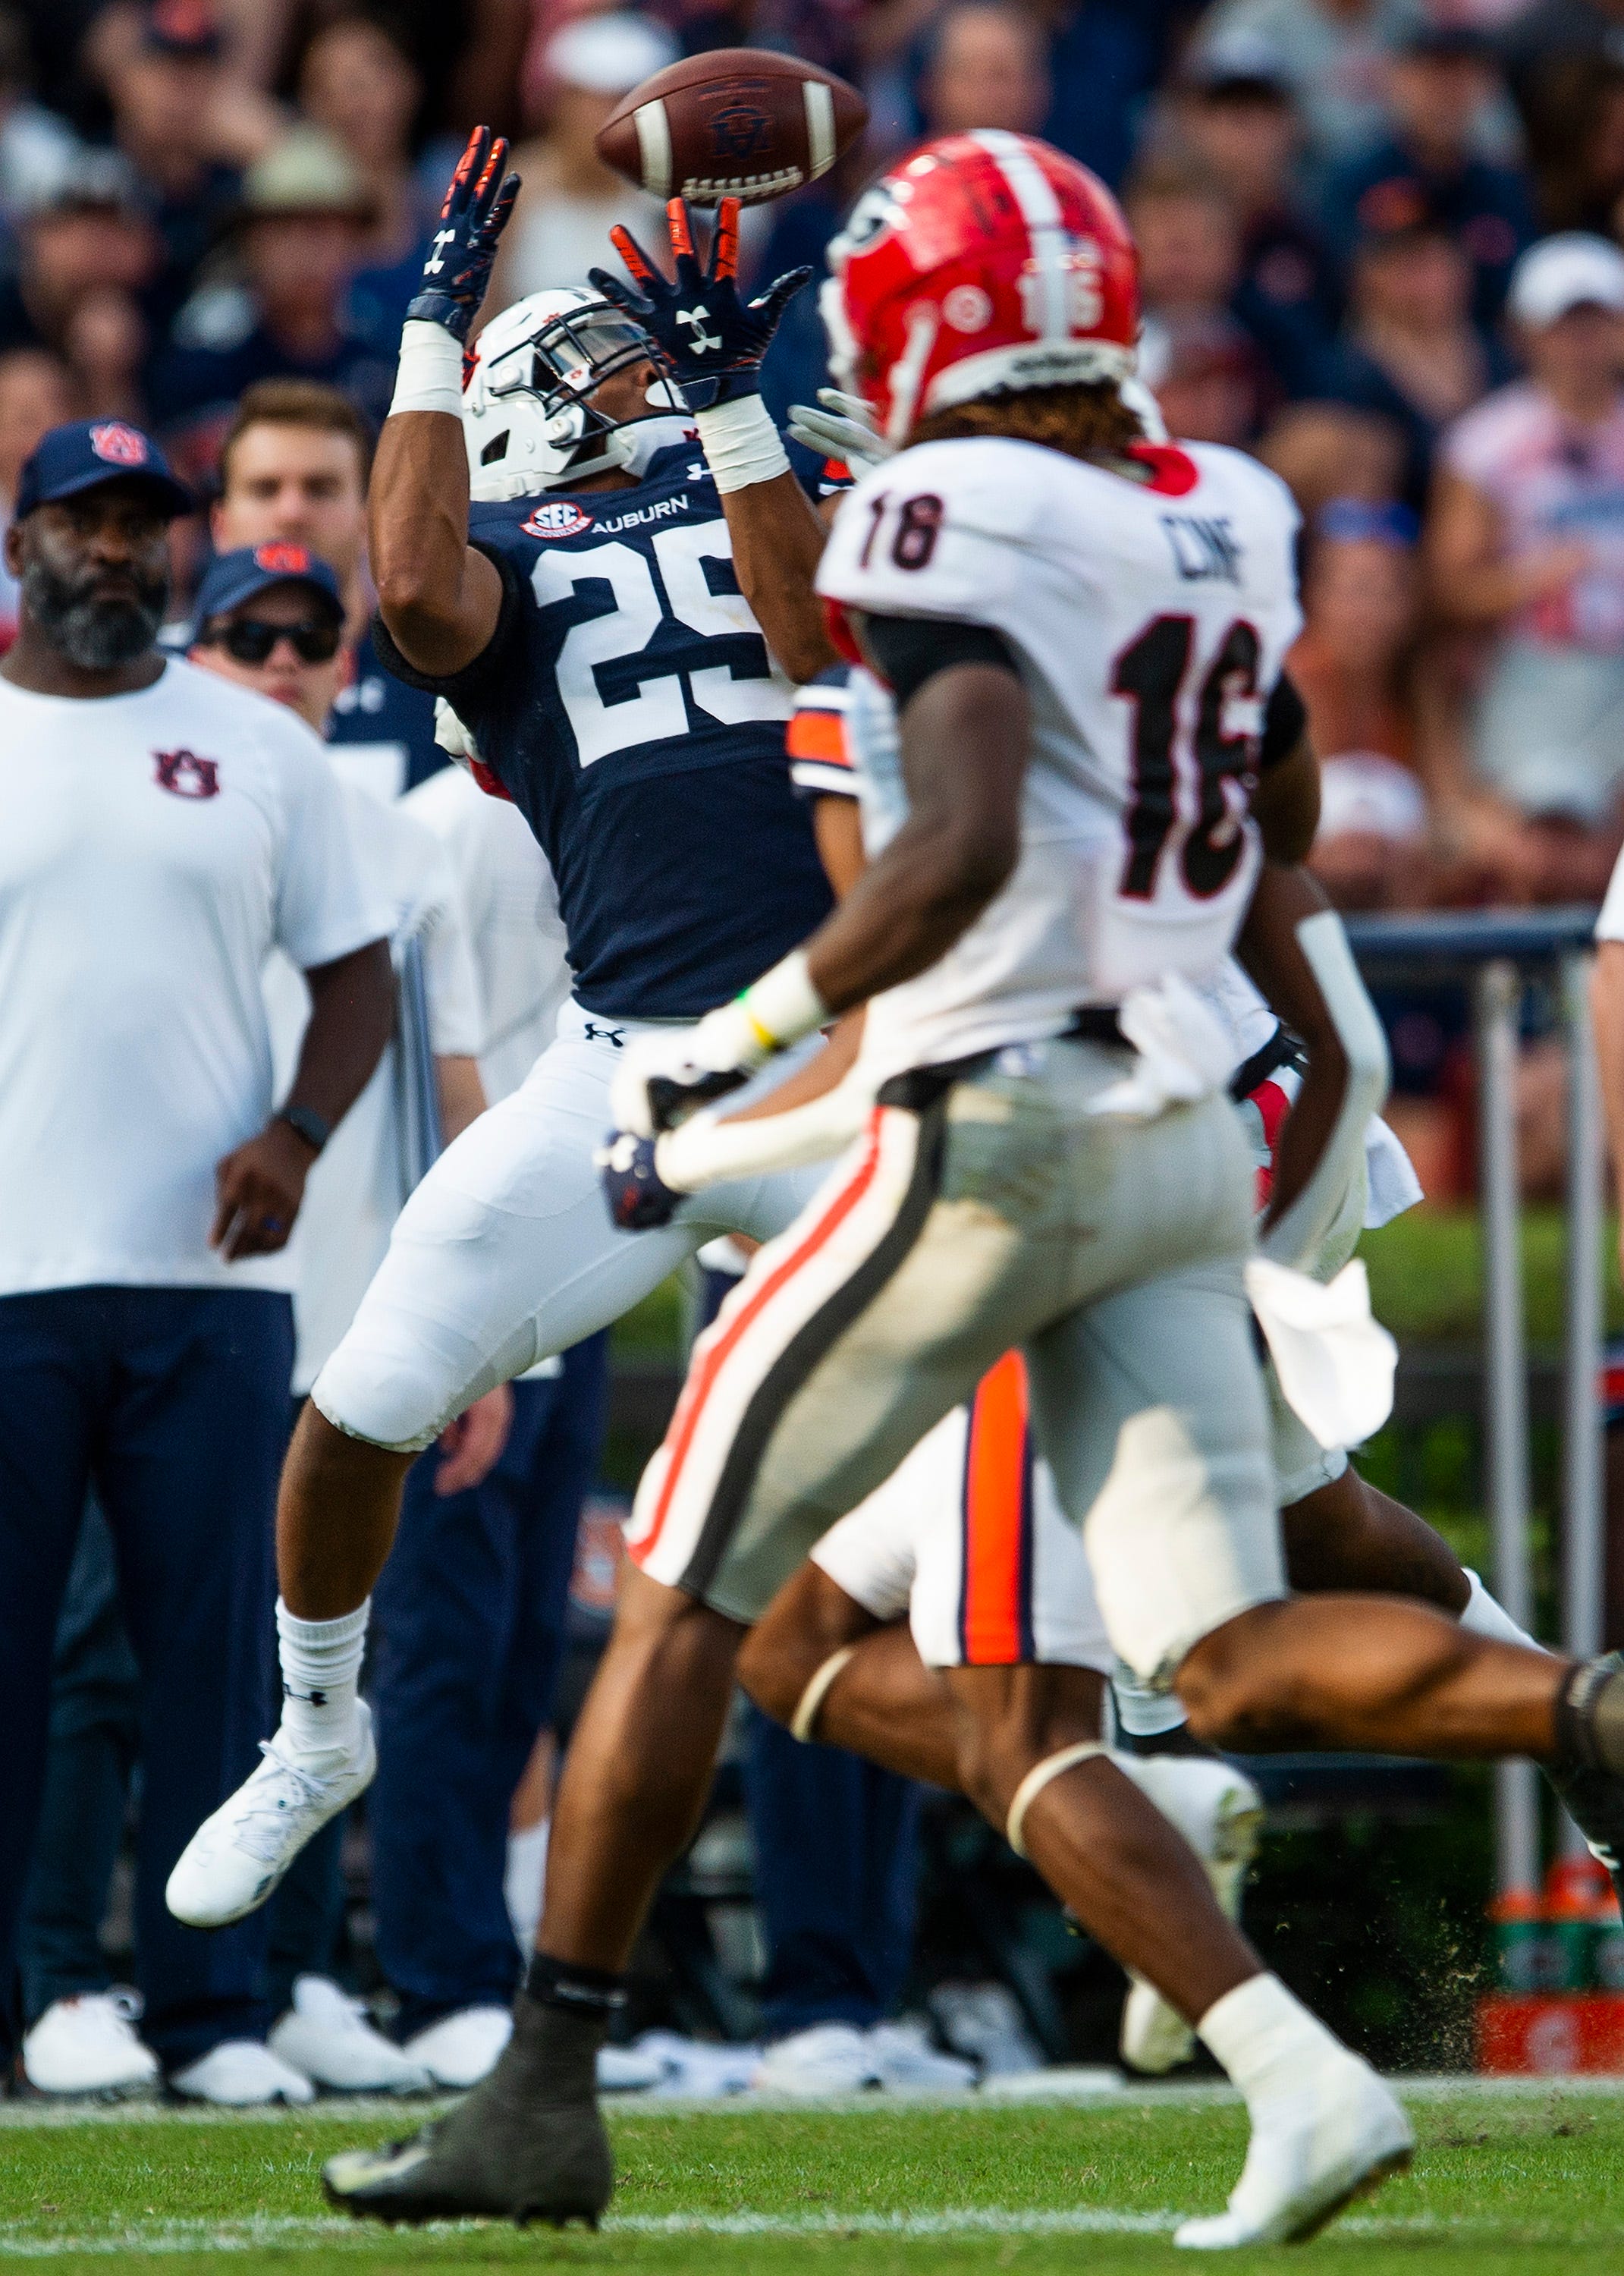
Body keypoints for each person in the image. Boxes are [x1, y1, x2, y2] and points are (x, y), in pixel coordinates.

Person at [321, 130, 1624, 2244]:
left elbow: (945, 841)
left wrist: (735, 1055)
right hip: (1185, 1117)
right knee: (1214, 1647)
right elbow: (1277, 795)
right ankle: (1578, 1712)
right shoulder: (1226, 507)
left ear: (929, 319)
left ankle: (541, 2090)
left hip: (1001, 1122)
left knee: (687, 1592)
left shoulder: (936, 510)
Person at [162, 130, 837, 1951]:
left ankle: (1214, 1686)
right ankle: (315, 1728)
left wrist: (737, 411)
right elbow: (410, 587)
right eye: (598, 354)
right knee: (364, 1400)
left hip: (851, 1065)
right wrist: (432, 331)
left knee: (971, 1467)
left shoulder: (769, 473)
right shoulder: (507, 543)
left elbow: (817, 633)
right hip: (626, 1065)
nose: (630, 357)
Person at [0, 416, 392, 2102]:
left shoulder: (254, 744)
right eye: (81, 523)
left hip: (213, 1284)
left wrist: (297, 1134)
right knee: (17, 1661)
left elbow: (358, 974)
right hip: (12, 1270)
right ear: (23, 545)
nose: (113, 550)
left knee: (210, 1655)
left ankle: (210, 2010)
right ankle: (39, 1994)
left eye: (139, 524)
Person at [1428, 232, 1624, 898]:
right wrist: (1535, 578)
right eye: (1564, 326)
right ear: (1525, 335)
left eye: (1595, 323)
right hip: (1530, 668)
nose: (1581, 344)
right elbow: (1449, 588)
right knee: (1525, 856)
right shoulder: (1488, 444)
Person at [212, 379, 441, 794]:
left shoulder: (440, 687)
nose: (292, 512)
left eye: (320, 489)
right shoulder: (157, 679)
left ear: (369, 520)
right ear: (219, 523)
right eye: (265, 490)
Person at [150, 128, 396, 448]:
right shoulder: (206, 354)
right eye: (284, 233)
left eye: (321, 232)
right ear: (251, 244)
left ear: (354, 243)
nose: (305, 252)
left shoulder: (384, 358)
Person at [1320, 25, 1534, 325]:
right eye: (1431, 77)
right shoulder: (1356, 178)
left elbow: (1521, 294)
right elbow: (1338, 288)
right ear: (1398, 82)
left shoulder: (1504, 184)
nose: (1446, 92)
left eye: (1460, 77)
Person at [482, 14, 674, 314]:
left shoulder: (667, 197)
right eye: (595, 100)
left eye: (624, 99)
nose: (611, 116)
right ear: (562, 102)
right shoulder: (515, 187)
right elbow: (479, 314)